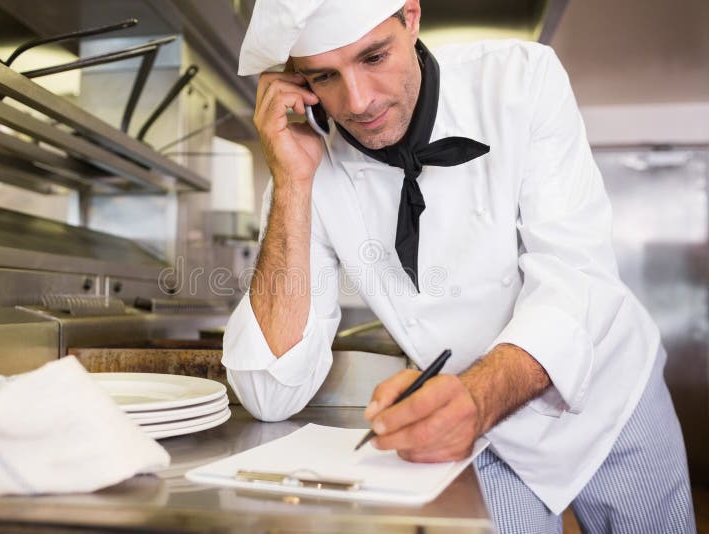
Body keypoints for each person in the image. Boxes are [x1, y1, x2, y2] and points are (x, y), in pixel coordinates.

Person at [222, 0, 696, 531]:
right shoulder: (308, 166)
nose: (357, 101)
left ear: (412, 18)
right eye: (325, 76)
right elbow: (269, 394)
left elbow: (576, 277)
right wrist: (290, 182)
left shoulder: (521, 80)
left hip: (610, 396)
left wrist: (476, 396)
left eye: (374, 57)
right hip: (476, 429)